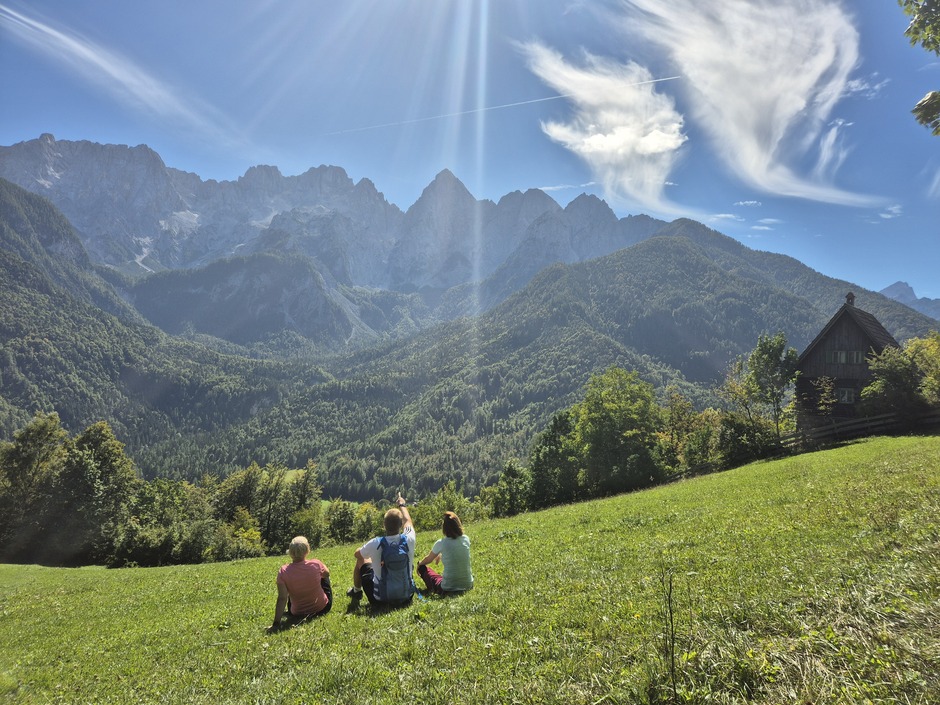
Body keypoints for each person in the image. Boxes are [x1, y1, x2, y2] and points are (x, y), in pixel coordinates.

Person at [347, 492, 416, 607]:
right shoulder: (409, 539)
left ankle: (356, 591)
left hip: (380, 599)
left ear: (384, 525)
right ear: (400, 525)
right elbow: (408, 521)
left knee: (361, 559)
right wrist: (402, 505)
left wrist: (368, 553)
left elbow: (357, 555)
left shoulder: (376, 543)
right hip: (407, 596)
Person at [269, 536, 332, 631]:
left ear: (290, 552)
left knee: (291, 587)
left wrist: (276, 623)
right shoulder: (316, 564)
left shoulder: (283, 571)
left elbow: (282, 598)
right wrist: (321, 564)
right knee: (324, 577)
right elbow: (327, 574)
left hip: (297, 613)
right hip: (322, 608)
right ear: (307, 550)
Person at [416, 510, 474, 595]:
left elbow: (428, 559)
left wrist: (419, 564)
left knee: (424, 569)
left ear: (444, 528)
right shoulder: (466, 539)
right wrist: (441, 553)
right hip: (468, 585)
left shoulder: (441, 543)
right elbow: (454, 549)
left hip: (448, 588)